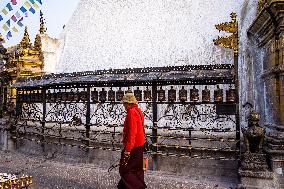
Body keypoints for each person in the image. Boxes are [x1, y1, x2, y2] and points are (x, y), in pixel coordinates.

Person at [117, 93, 147, 189]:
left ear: (128, 103)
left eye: (124, 104)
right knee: (137, 169)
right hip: (140, 145)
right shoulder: (138, 111)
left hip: (133, 146)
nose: (124, 106)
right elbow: (141, 129)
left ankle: (138, 187)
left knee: (125, 169)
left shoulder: (131, 112)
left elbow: (132, 132)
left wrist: (128, 150)